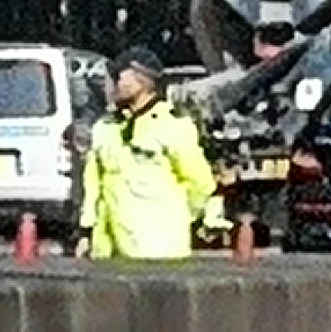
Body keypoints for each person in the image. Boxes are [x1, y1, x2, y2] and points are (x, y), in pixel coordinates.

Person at [79, 47, 224, 261]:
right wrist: (86, 233)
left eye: (118, 76)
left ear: (141, 82)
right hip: (108, 255)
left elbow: (200, 185)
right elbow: (92, 187)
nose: (111, 85)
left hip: (160, 252)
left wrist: (179, 219)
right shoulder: (105, 128)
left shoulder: (173, 126)